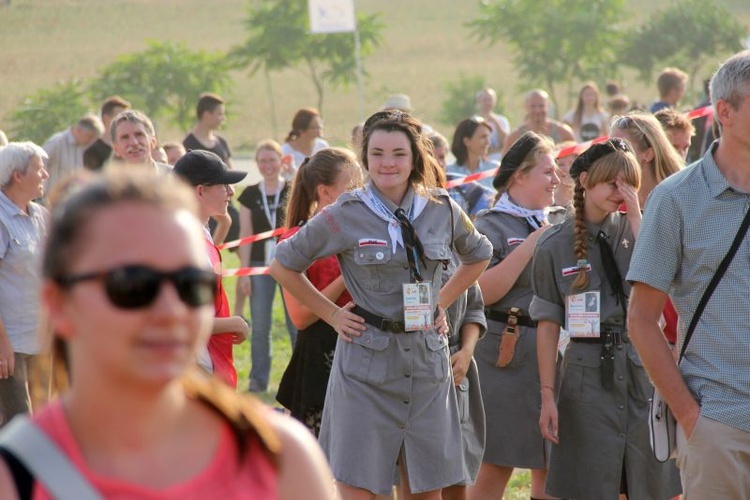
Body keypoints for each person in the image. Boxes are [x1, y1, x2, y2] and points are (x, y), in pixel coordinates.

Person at [0, 169, 335, 499]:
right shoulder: (18, 475)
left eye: (191, 284)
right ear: (60, 304)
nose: (171, 310)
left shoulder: (280, 455)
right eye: (133, 284)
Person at [270, 110, 492, 499]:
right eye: (377, 154)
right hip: (366, 368)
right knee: (360, 486)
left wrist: (441, 301)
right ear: (365, 158)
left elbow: (480, 254)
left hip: (426, 363)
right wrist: (333, 314)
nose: (387, 163)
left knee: (425, 487)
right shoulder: (345, 213)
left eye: (398, 154)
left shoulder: (441, 208)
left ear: (414, 158)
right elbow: (283, 264)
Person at [627, 49, 750, 498]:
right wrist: (690, 416)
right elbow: (641, 320)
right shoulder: (675, 199)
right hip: (717, 424)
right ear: (725, 112)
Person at [531, 138, 681, 499]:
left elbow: (663, 280)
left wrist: (635, 217)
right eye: (612, 183)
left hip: (640, 369)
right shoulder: (554, 244)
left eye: (629, 183)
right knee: (587, 484)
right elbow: (548, 324)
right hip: (585, 376)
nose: (622, 192)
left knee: (651, 483)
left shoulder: (638, 231)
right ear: (584, 181)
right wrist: (548, 396)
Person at [469, 132, 560, 500]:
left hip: (552, 351)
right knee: (496, 462)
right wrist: (532, 245)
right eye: (548, 172)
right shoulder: (489, 224)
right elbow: (482, 292)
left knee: (550, 464)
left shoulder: (560, 220)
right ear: (519, 176)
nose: (557, 179)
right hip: (503, 355)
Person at [276, 148, 362, 436]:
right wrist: (349, 278)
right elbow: (300, 317)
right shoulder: (298, 242)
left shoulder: (365, 232)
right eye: (352, 188)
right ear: (325, 192)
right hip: (320, 358)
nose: (360, 194)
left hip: (364, 353)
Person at [173, 150, 250, 388]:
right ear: (200, 191)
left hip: (206, 366)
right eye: (224, 185)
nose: (230, 192)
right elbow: (181, 320)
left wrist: (225, 220)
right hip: (195, 372)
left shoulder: (197, 229)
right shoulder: (182, 244)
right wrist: (233, 323)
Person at [237, 140, 297, 393]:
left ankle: (299, 377)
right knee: (261, 326)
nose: (267, 165)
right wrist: (244, 272)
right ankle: (258, 380)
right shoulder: (250, 194)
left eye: (272, 160)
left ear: (281, 162)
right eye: (262, 161)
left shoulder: (293, 189)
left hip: (289, 265)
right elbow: (246, 233)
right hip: (260, 266)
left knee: (296, 323)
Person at [0, 142, 49, 426]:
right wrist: (2, 343)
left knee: (43, 422)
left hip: (41, 338)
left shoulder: (41, 215)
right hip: (11, 344)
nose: (45, 175)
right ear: (18, 175)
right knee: (18, 424)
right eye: (39, 169)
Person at [181, 93, 237, 246]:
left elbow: (231, 170)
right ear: (206, 115)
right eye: (219, 114)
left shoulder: (221, 142)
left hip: (224, 204)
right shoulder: (188, 143)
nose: (223, 118)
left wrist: (227, 190)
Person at [610, 112, 684, 207]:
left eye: (622, 148)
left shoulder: (678, 195)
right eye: (610, 147)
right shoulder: (613, 200)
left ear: (648, 154)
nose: (612, 156)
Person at [43, 115, 103, 193]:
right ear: (79, 130)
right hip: (50, 198)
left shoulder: (82, 148)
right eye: (90, 137)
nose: (91, 141)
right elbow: (40, 165)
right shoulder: (56, 142)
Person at [504, 90, 575, 155]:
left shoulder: (564, 133)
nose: (537, 111)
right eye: (533, 106)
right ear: (526, 107)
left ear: (548, 106)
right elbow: (506, 166)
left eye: (541, 106)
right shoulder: (515, 137)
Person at [109, 110, 171, 175]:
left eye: (139, 135)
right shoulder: (107, 184)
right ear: (115, 149)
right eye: (125, 137)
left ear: (153, 142)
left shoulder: (176, 177)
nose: (134, 143)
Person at [447, 117, 499, 190]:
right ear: (467, 141)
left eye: (488, 137)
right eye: (483, 137)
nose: (488, 142)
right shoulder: (449, 173)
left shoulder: (494, 169)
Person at [83, 95, 131, 171]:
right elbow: (93, 179)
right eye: (119, 117)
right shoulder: (93, 151)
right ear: (106, 118)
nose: (125, 121)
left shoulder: (130, 147)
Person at [281, 108, 330, 181]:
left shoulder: (322, 146)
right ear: (302, 131)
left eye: (320, 126)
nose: (319, 129)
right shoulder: (284, 151)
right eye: (314, 127)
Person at [475, 88, 511, 161]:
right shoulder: (473, 121)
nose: (487, 103)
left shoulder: (502, 120)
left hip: (499, 160)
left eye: (490, 100)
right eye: (485, 100)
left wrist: (496, 123)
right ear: (478, 101)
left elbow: (506, 143)